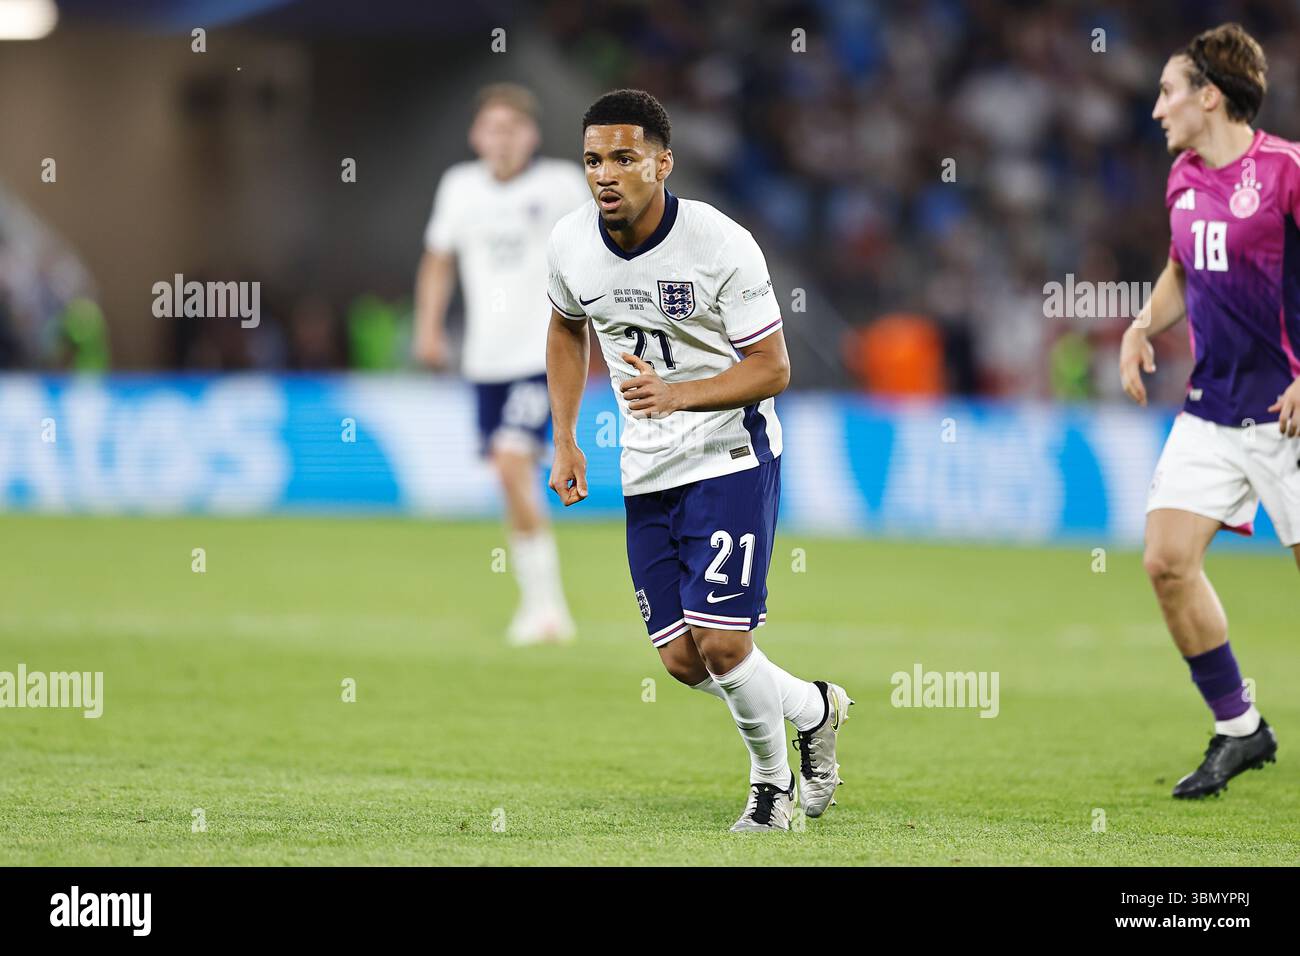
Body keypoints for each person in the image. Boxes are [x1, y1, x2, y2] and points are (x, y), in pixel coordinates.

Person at [545, 89, 851, 831]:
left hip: (730, 455)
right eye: (593, 160)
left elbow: (773, 367)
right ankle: (815, 709)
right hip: (646, 468)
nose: (605, 174)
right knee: (684, 660)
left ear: (663, 162)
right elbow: (564, 329)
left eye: (623, 158)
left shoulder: (720, 244)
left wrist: (681, 398)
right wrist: (565, 436)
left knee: (723, 642)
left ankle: (772, 791)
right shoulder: (570, 245)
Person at [1121, 22, 1298, 798]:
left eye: (1168, 92)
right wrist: (1137, 326)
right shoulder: (1184, 178)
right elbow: (1182, 272)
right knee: (1165, 560)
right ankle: (1240, 729)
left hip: (1289, 413)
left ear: (1210, 96)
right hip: (1213, 408)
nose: (1157, 109)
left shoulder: (1289, 173)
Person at [414, 83, 589, 645]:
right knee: (507, 476)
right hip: (484, 360)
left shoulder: (561, 184)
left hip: (543, 352)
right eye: (492, 127)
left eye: (512, 128)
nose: (502, 138)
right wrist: (428, 328)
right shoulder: (459, 187)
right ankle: (541, 604)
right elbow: (438, 261)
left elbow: (598, 250)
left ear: (531, 135)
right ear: (475, 136)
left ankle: (546, 609)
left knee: (513, 463)